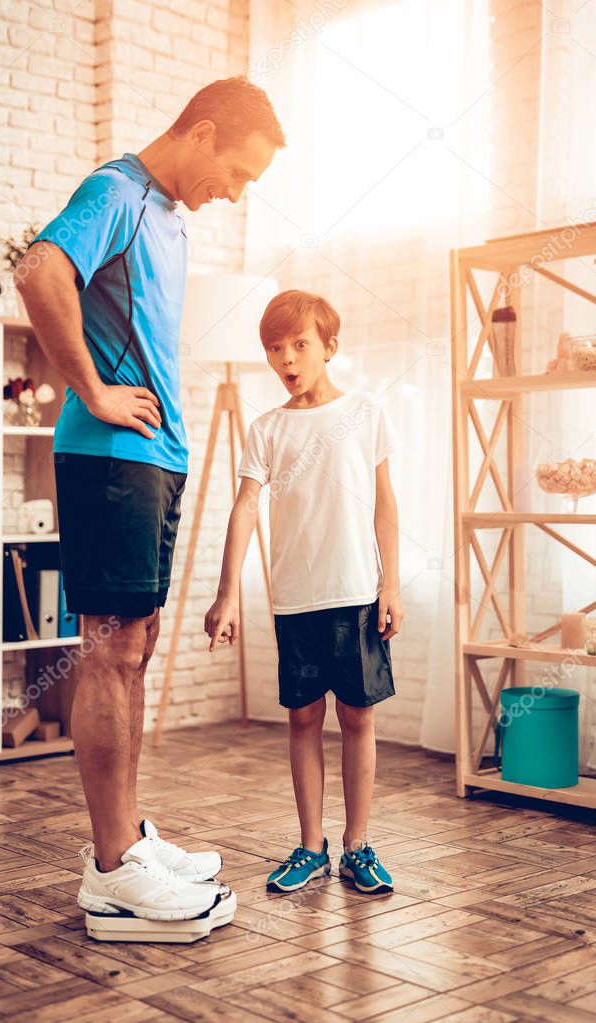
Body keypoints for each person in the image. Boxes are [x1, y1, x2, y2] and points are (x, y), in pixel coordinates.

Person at [15, 77, 286, 919]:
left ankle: (129, 837)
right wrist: (94, 390)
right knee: (108, 652)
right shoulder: (117, 192)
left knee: (134, 645)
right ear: (201, 133)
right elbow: (40, 271)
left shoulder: (166, 217)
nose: (233, 192)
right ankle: (110, 869)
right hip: (109, 457)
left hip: (152, 459)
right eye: (236, 172)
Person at [205, 289, 403, 895]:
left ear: (328, 348)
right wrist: (227, 592)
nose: (286, 358)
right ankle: (310, 846)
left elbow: (385, 505)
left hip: (357, 595)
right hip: (295, 599)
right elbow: (244, 507)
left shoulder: (366, 413)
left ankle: (357, 847)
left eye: (299, 345)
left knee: (358, 718)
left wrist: (391, 582)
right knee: (302, 718)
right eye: (274, 348)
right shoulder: (267, 430)